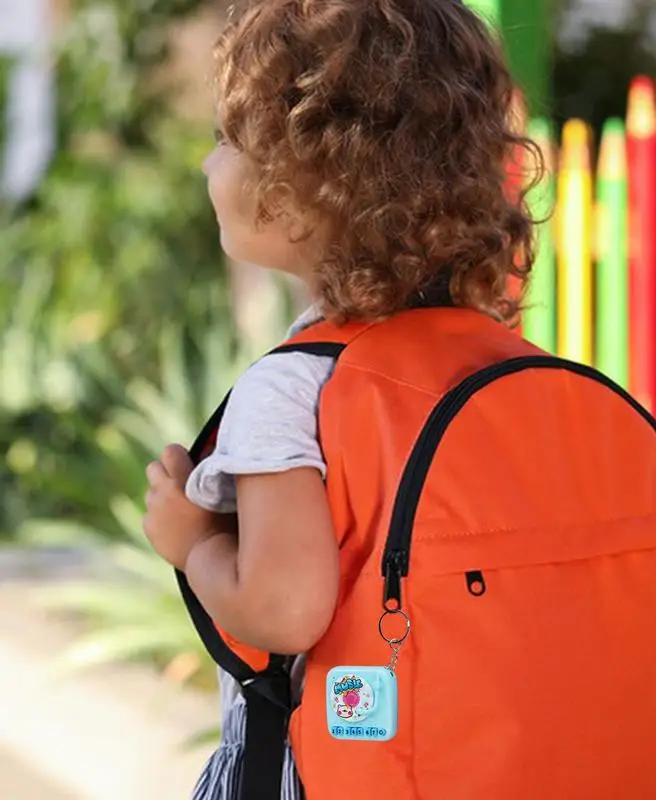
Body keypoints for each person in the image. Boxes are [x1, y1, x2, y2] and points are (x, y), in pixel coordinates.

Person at [142, 1, 537, 797]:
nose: (205, 165)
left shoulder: (293, 386)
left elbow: (283, 609)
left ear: (295, 190)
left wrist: (194, 546)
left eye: (226, 140)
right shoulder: (504, 361)